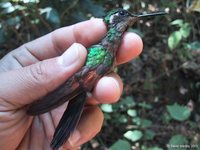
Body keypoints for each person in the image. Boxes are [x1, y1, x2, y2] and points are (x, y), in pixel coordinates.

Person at [0, 18, 143, 149]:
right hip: (78, 87)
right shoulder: (101, 51)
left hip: (80, 91)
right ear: (114, 20)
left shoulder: (109, 53)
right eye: (124, 15)